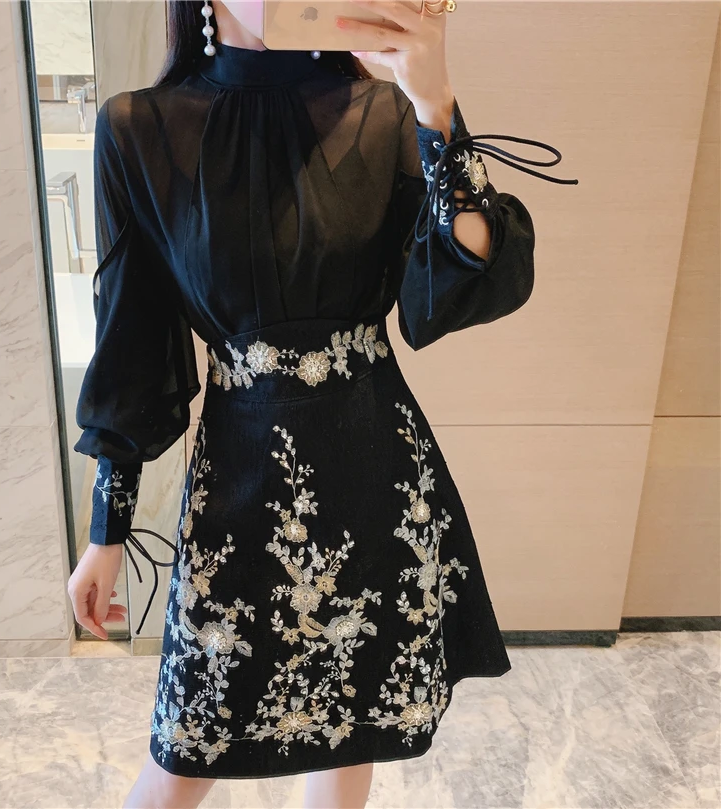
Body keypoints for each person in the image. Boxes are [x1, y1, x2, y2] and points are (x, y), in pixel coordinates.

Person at [66, 1, 577, 806]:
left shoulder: (386, 114)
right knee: (184, 749)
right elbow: (131, 336)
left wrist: (437, 106)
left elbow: (463, 274)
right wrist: (108, 524)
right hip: (236, 487)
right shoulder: (140, 128)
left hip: (374, 477)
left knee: (349, 726)